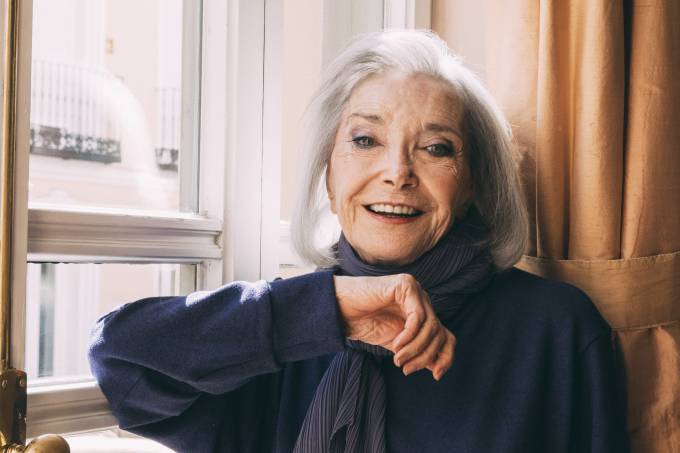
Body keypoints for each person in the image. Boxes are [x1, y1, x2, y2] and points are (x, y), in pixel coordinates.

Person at [88, 30, 629, 453]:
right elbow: (119, 358)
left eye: (436, 148)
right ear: (329, 175)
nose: (397, 172)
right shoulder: (276, 330)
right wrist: (332, 310)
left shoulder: (556, 329)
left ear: (471, 187)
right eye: (366, 140)